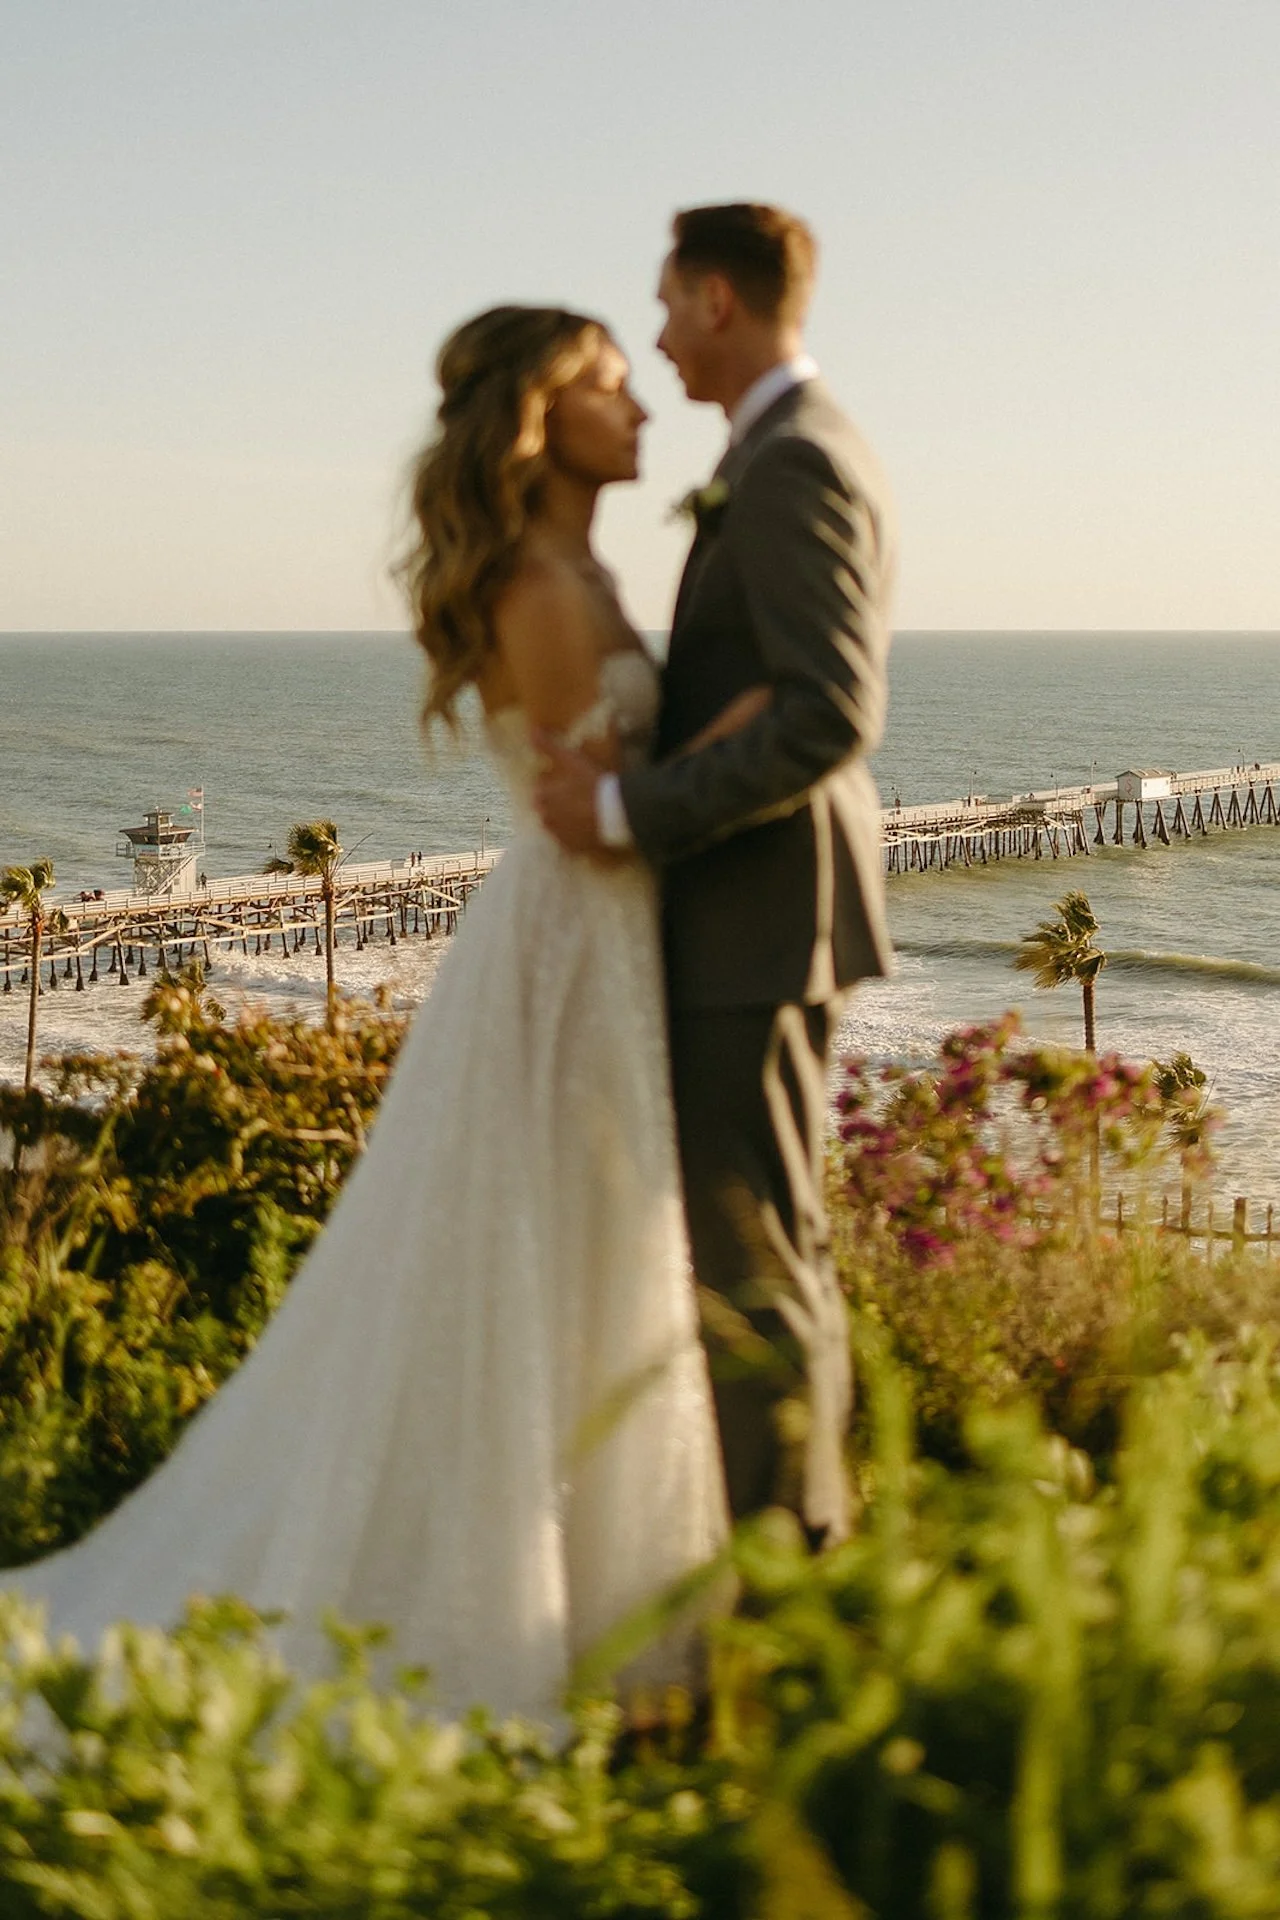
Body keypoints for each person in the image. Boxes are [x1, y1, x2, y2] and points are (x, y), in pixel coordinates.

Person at [5, 305, 743, 1726]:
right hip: (571, 950)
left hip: (600, 945)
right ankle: (518, 1635)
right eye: (606, 382)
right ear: (538, 417)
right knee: (550, 1262)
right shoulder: (538, 581)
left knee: (589, 1256)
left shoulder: (581, 563)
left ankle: (600, 1614)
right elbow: (590, 819)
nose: (639, 402)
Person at [535, 204, 897, 1547]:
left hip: (759, 918)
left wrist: (633, 807)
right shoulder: (775, 451)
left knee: (754, 1268)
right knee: (770, 1256)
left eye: (668, 305)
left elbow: (830, 711)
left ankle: (794, 1583)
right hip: (754, 914)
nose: (658, 335)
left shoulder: (796, 462)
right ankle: (808, 1552)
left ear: (721, 301)